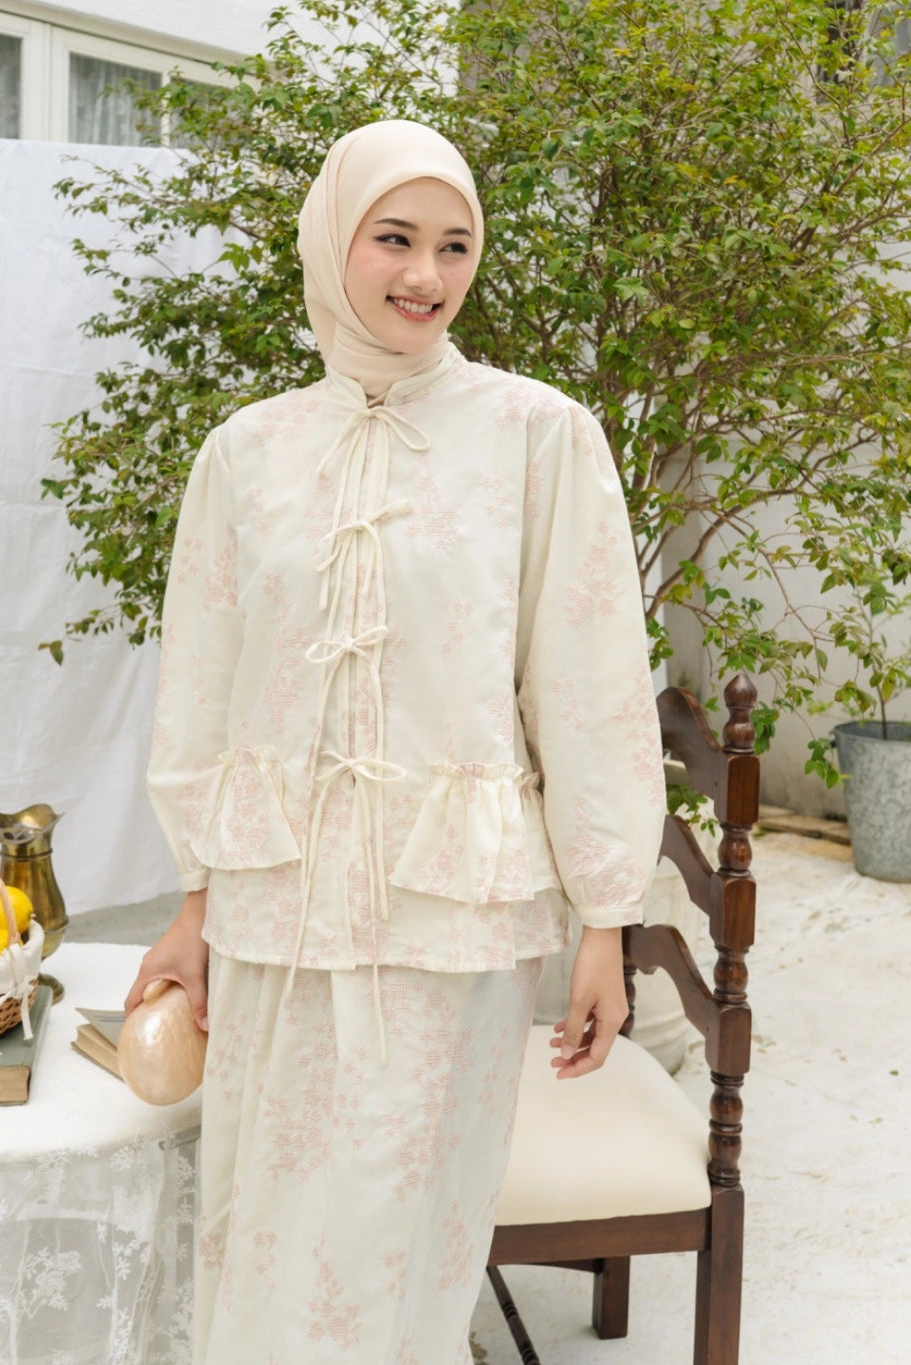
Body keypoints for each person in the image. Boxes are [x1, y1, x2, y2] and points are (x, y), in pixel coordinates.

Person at [126, 118, 664, 1365]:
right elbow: (204, 690)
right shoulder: (244, 453)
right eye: (395, 238)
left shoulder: (541, 437)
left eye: (456, 246)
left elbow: (586, 686)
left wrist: (605, 919)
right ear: (334, 243)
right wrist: (195, 900)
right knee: (260, 1233)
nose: (425, 276)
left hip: (449, 925)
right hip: (273, 917)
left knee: (399, 1243)